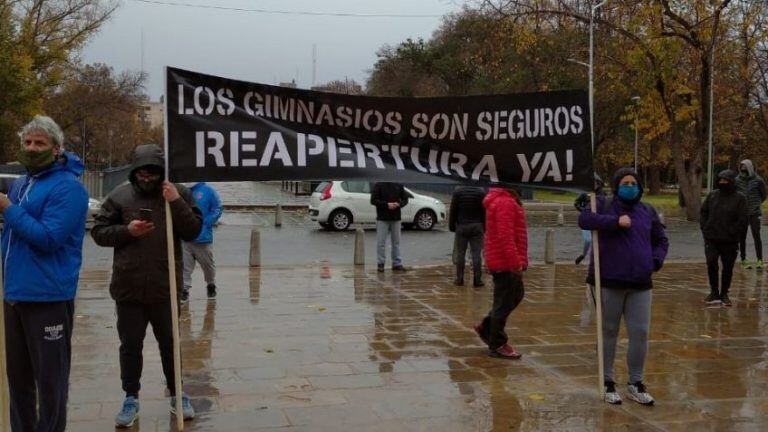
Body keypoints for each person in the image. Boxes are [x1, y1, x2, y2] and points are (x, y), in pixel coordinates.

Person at [91, 144, 202, 427]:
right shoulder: (119, 196)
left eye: (153, 172)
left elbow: (194, 230)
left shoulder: (179, 193)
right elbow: (99, 232)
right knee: (130, 346)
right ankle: (131, 396)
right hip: (128, 287)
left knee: (171, 343)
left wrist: (176, 201)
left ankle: (178, 393)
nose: (147, 177)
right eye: (142, 172)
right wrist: (127, 231)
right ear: (134, 172)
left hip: (165, 287)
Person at [0, 115, 89, 432]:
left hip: (49, 296)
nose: (32, 148)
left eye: (40, 143)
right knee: (18, 380)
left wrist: (7, 209)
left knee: (50, 383)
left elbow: (49, 238)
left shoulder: (69, 189)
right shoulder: (22, 183)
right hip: (15, 295)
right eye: (27, 142)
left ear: (56, 149)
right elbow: (12, 235)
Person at [578, 168, 668, 406]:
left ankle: (636, 383)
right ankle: (607, 381)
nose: (630, 186)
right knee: (608, 332)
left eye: (634, 183)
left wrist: (655, 261)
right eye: (625, 183)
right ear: (617, 186)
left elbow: (661, 240)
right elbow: (584, 219)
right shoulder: (604, 205)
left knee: (640, 333)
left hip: (640, 283)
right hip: (609, 282)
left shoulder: (647, 210)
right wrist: (615, 222)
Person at [473, 186, 528, 359]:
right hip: (505, 262)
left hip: (502, 260)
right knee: (504, 302)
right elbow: (506, 235)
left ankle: (488, 327)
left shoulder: (501, 200)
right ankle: (497, 342)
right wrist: (515, 263)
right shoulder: (505, 202)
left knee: (514, 295)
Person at [700, 170, 748, 307]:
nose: (722, 183)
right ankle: (713, 292)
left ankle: (724, 293)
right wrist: (705, 227)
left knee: (728, 268)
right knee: (711, 263)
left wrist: (734, 232)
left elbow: (743, 219)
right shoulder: (713, 195)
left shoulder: (740, 198)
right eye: (720, 180)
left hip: (730, 240)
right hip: (712, 238)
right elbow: (704, 211)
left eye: (725, 180)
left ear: (732, 182)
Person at [182, 182, 223, 302]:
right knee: (185, 266)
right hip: (185, 237)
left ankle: (211, 284)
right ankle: (184, 290)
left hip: (202, 238)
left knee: (207, 265)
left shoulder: (208, 190)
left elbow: (217, 208)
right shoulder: (182, 190)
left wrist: (207, 221)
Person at [449, 185, 486, 287]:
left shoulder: (458, 191)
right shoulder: (480, 191)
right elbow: (484, 211)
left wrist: (452, 226)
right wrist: (484, 227)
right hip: (477, 226)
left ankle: (459, 279)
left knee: (461, 254)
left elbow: (453, 210)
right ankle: (477, 280)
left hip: (462, 225)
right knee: (476, 254)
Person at [370, 182, 409, 272]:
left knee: (396, 242)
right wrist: (387, 204)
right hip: (382, 218)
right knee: (381, 242)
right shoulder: (379, 184)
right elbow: (373, 200)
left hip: (396, 218)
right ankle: (381, 263)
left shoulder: (399, 184)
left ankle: (397, 263)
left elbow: (405, 199)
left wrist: (399, 204)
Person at [735, 159, 766, 269]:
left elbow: (764, 195)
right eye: (741, 169)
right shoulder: (737, 180)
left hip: (755, 212)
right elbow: (735, 195)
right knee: (742, 237)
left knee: (756, 236)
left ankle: (760, 260)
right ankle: (743, 260)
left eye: (745, 169)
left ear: (750, 168)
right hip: (742, 213)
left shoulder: (758, 180)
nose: (743, 171)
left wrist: (756, 204)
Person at [573, 174, 605, 265]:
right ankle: (583, 255)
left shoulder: (602, 194)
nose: (593, 184)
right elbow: (576, 203)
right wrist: (583, 211)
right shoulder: (584, 193)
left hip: (598, 221)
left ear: (598, 183)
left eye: (595, 182)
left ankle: (596, 261)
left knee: (599, 242)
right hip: (587, 221)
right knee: (588, 240)